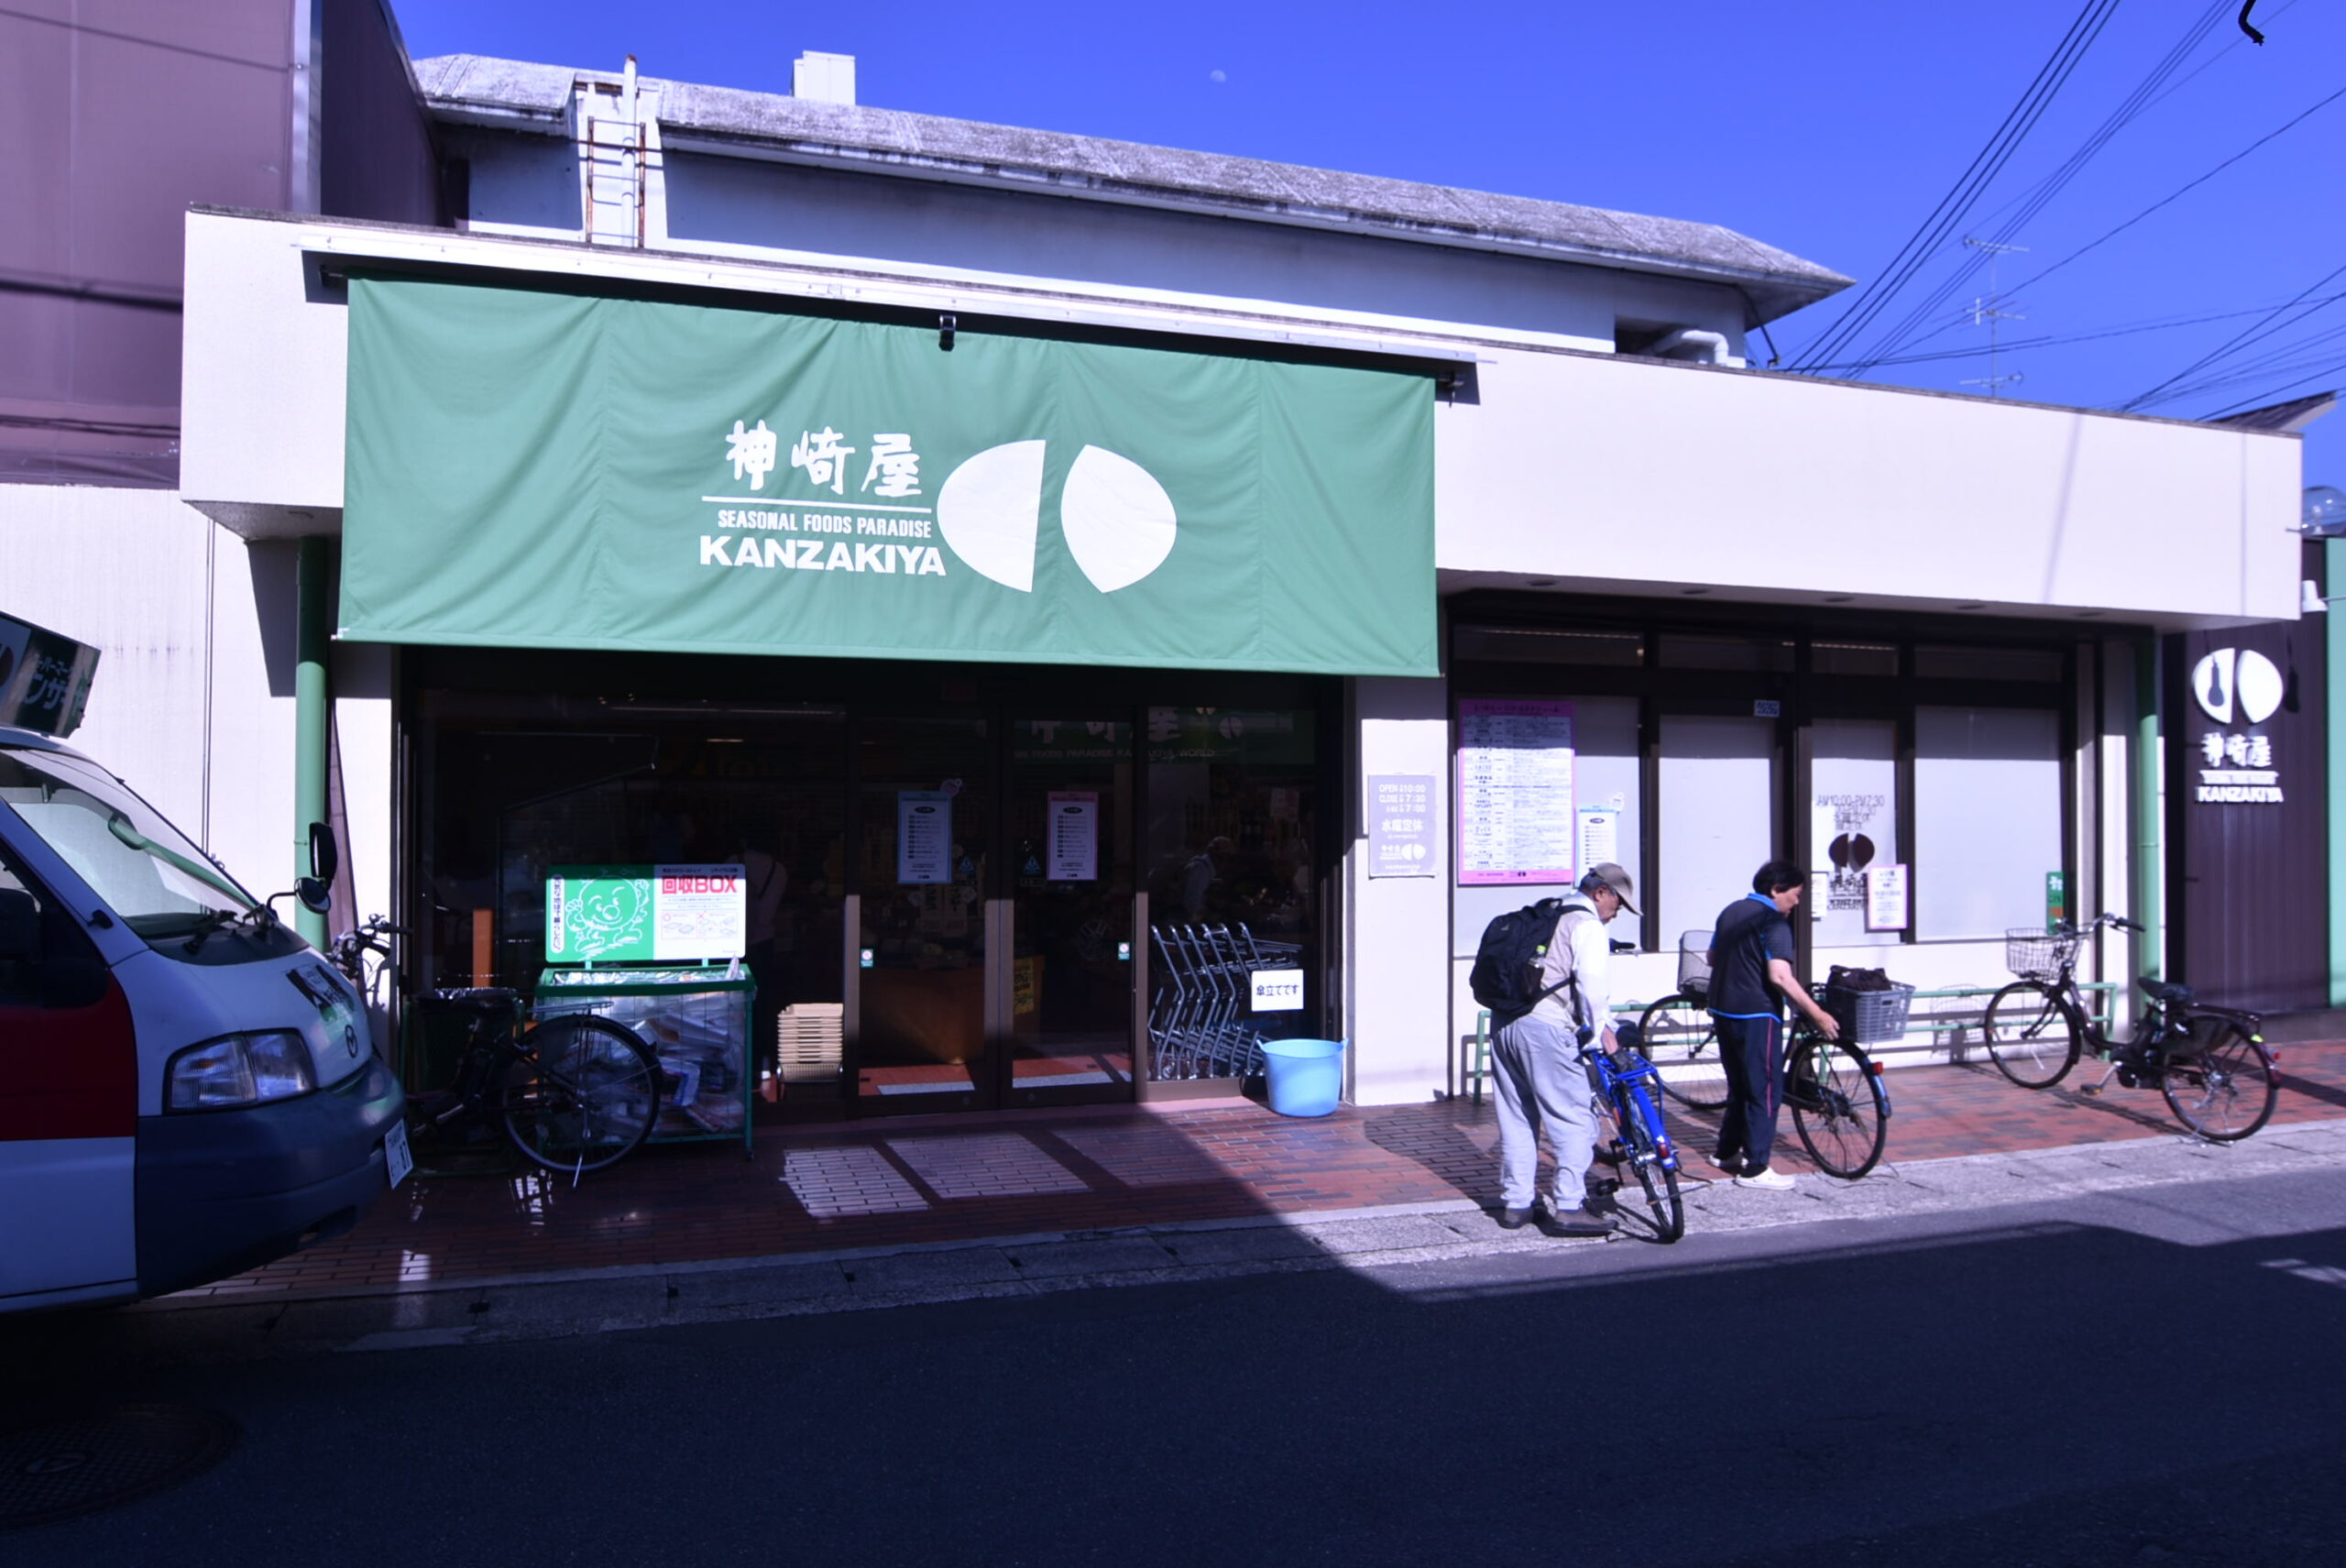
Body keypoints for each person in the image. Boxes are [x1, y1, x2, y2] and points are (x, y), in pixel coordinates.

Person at [1489, 861, 1639, 1239]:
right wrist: (1600, 1033)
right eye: (1618, 903)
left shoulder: (1548, 910)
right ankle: (1570, 1206)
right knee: (1574, 1119)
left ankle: (1517, 1204)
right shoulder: (1586, 925)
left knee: (1517, 1116)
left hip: (1505, 1023)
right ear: (1601, 892)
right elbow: (1592, 986)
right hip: (1546, 1027)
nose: (1617, 913)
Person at [1706, 860, 1840, 1191]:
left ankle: (1726, 1152)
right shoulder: (1773, 922)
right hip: (1757, 1014)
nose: (1797, 902)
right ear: (1776, 890)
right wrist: (1817, 1014)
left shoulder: (1731, 911)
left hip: (1723, 1009)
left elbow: (1712, 957)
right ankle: (1756, 1167)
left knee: (1739, 1084)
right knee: (1765, 1089)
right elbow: (1780, 976)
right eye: (1795, 894)